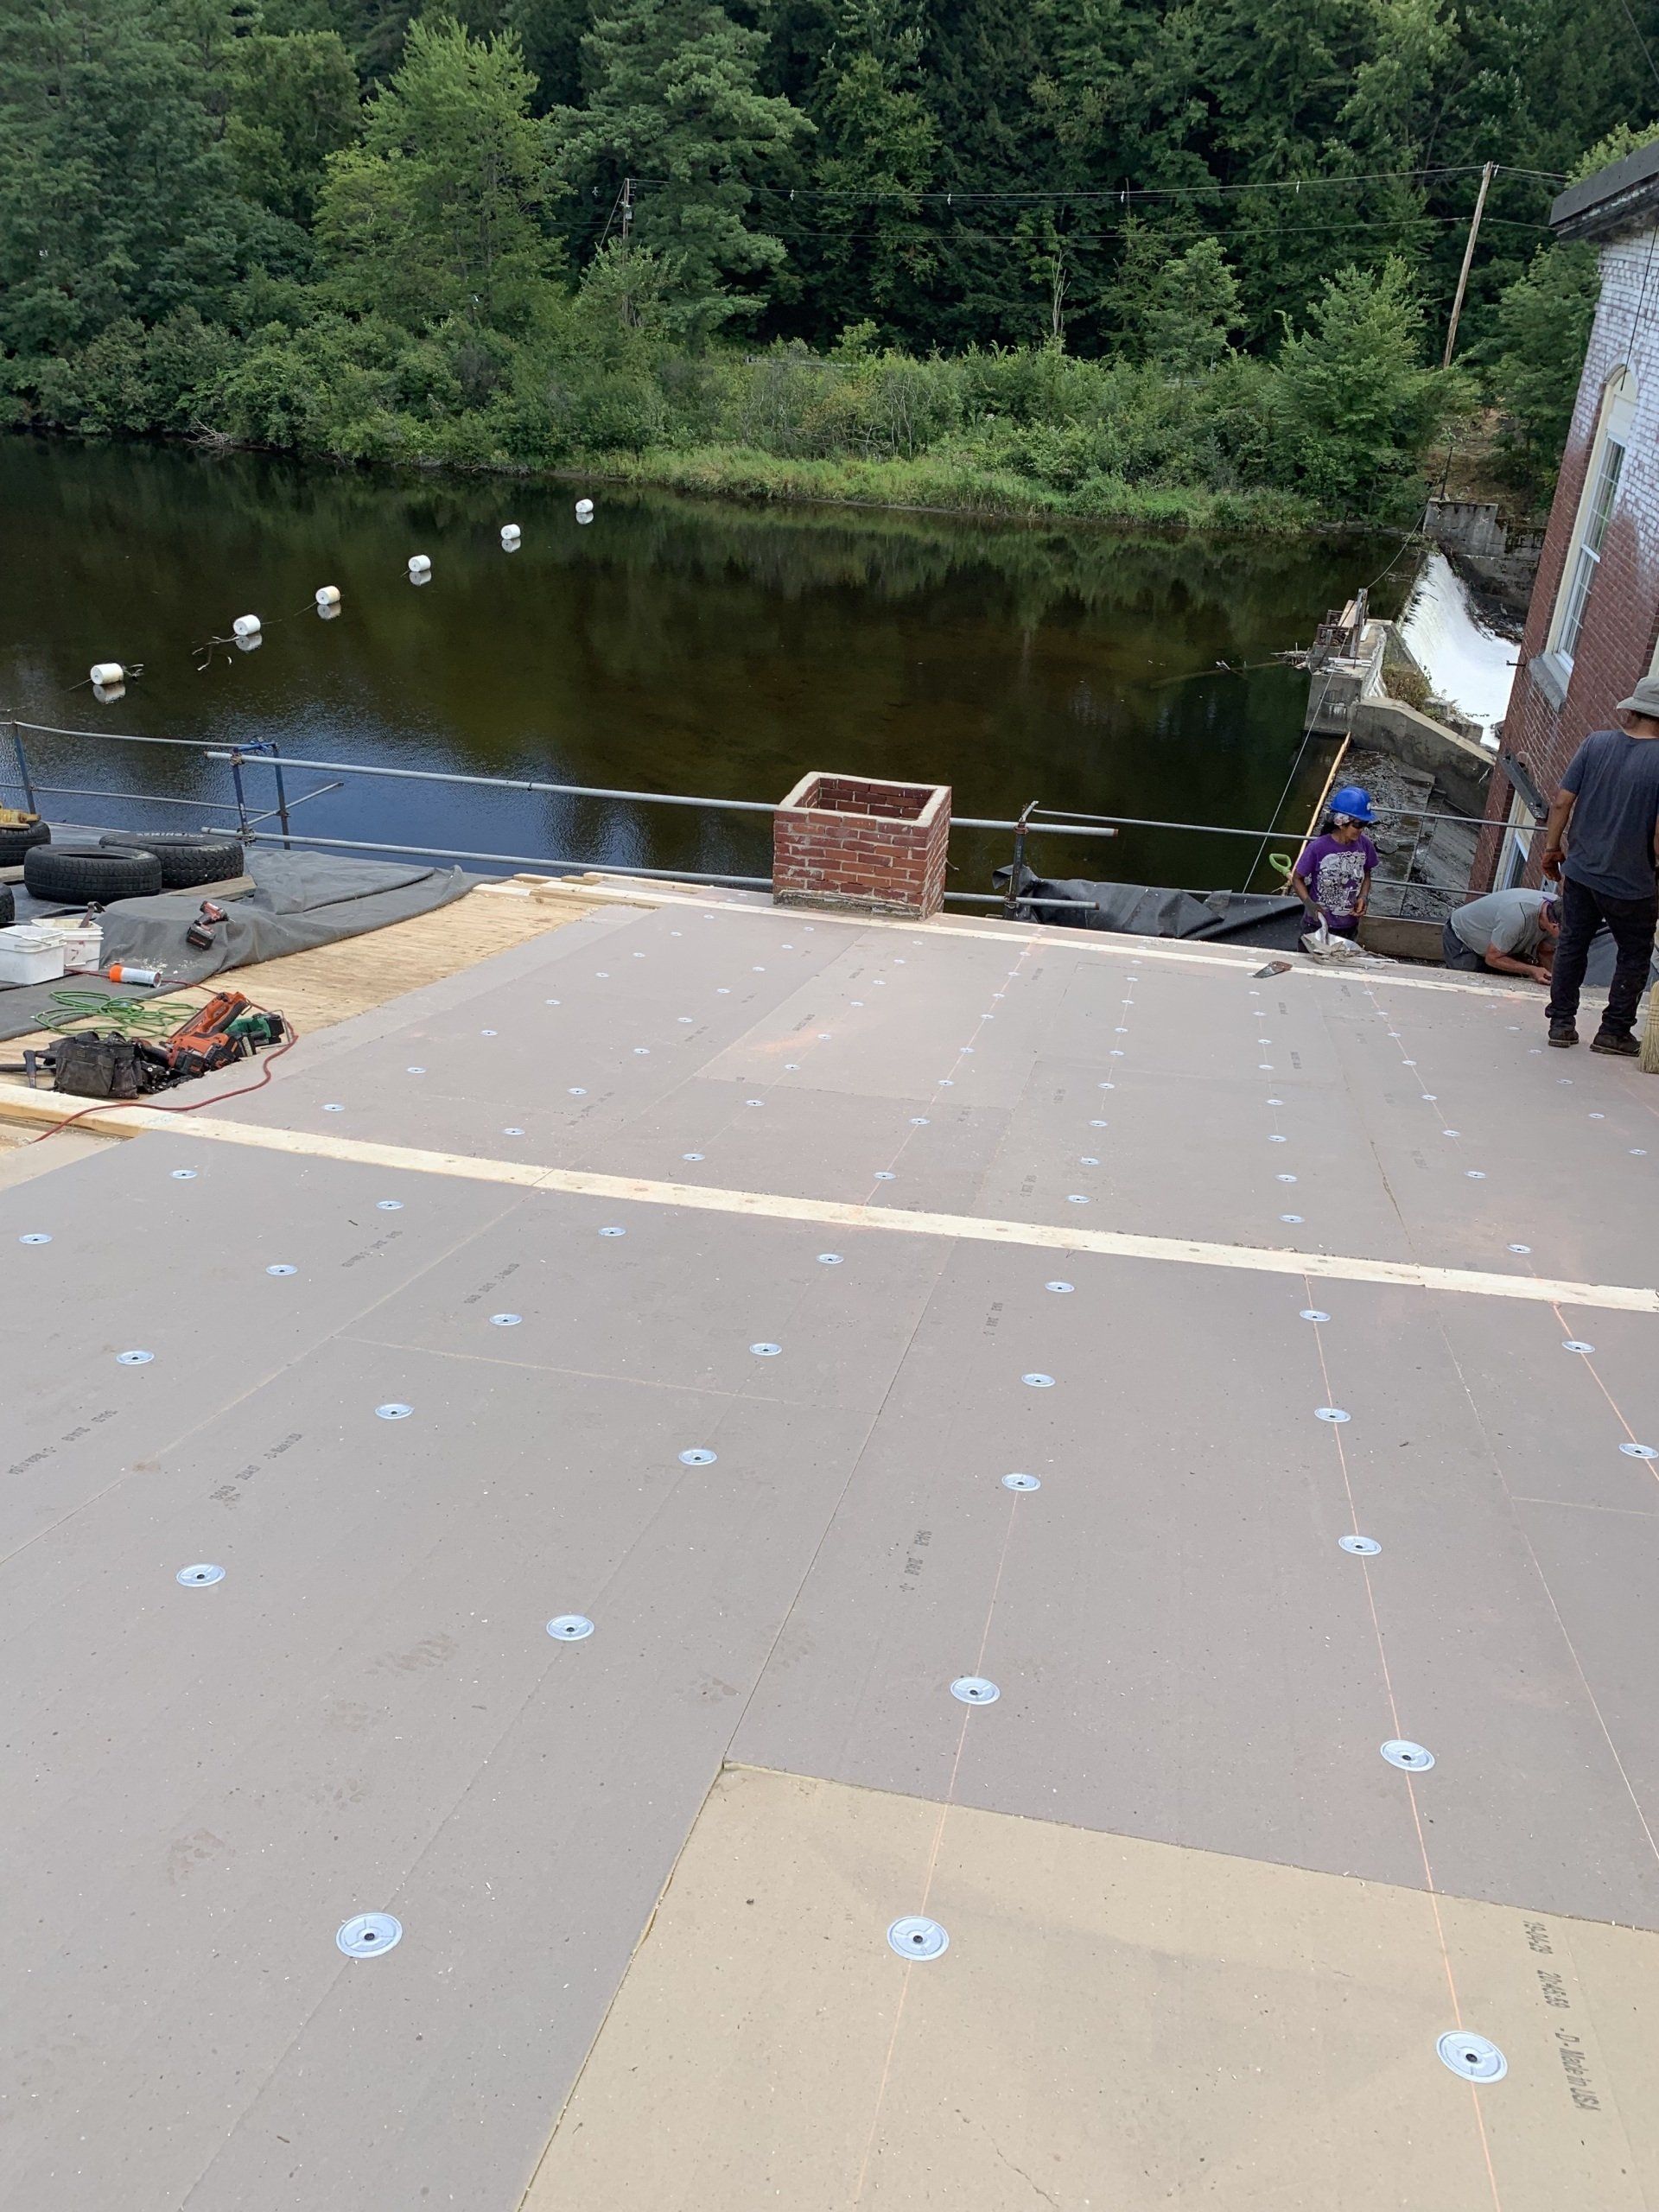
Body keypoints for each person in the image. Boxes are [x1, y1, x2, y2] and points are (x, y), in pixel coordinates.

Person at [1536, 674, 1659, 1052]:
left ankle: (1561, 1023)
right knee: (1635, 952)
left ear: (1633, 710)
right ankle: (1613, 1032)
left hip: (1582, 873)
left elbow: (1560, 802)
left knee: (1573, 943)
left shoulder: (1595, 743)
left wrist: (1552, 848)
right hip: (1633, 882)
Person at [1290, 785, 1379, 938]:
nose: (1361, 829)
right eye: (1358, 824)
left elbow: (1367, 873)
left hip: (1349, 925)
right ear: (1340, 821)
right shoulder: (1318, 848)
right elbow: (1297, 878)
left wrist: (1363, 897)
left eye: (1365, 824)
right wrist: (1310, 904)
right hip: (1316, 925)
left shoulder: (1365, 845)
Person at [1442, 886, 1559, 982]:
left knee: (1509, 982)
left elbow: (1546, 951)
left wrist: (1554, 980)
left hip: (1500, 948)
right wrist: (1533, 970)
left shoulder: (1560, 912)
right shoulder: (1517, 917)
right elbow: (1492, 958)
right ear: (1554, 925)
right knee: (1465, 983)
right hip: (1463, 938)